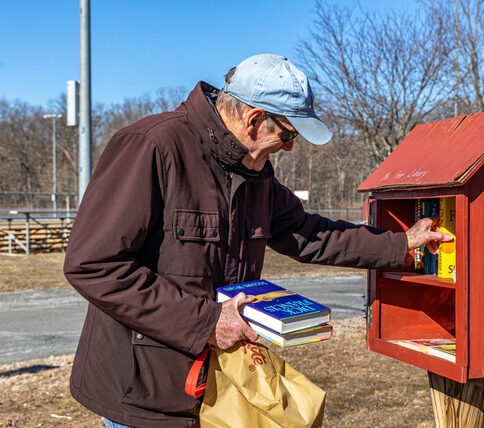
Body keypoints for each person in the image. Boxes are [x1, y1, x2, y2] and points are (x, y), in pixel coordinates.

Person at [63, 53, 451, 428]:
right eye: (286, 135)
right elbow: (93, 265)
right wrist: (207, 322)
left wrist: (400, 244)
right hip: (145, 392)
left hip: (221, 387)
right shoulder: (152, 146)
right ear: (254, 120)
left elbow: (311, 234)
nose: (289, 147)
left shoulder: (255, 174)